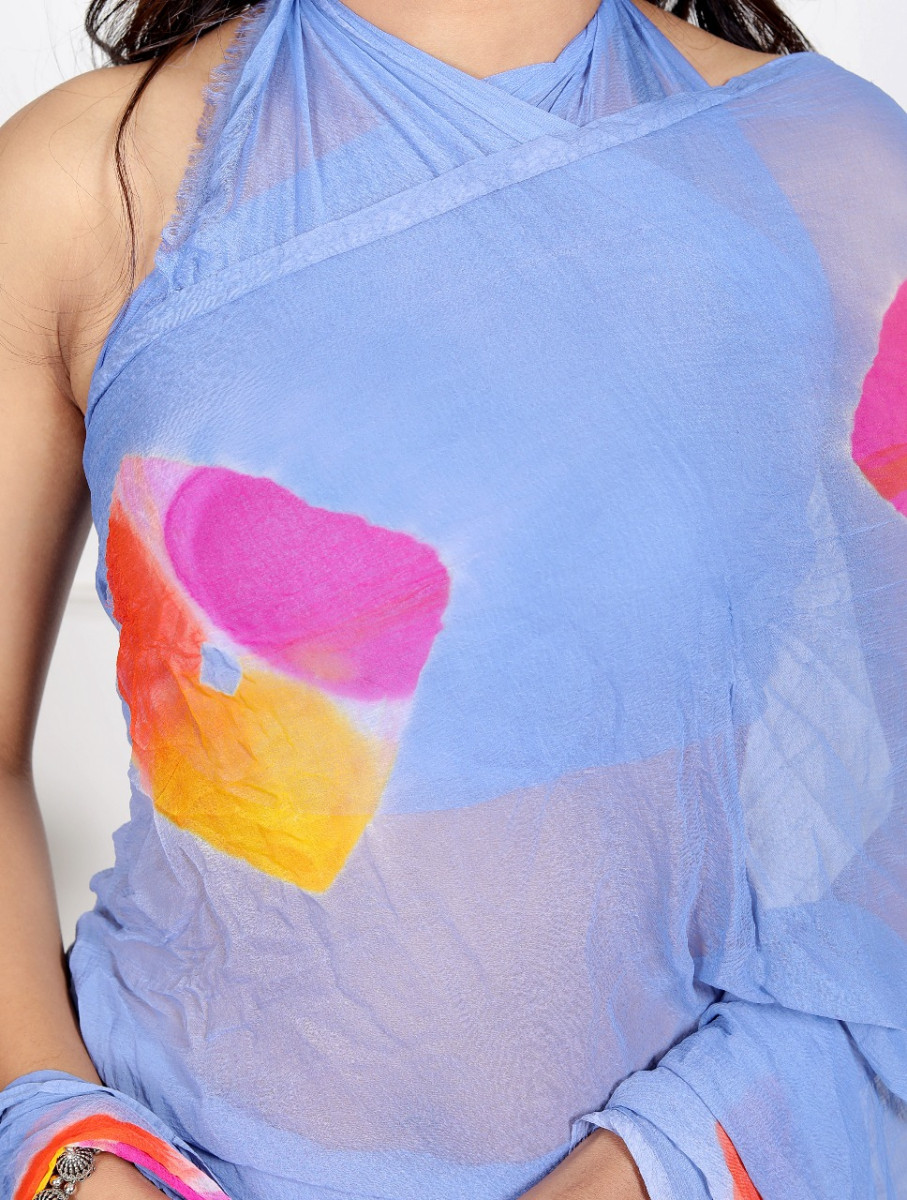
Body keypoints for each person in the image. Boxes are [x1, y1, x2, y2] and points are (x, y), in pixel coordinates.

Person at [0, 0, 906, 1196]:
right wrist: (67, 1153)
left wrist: (666, 1162)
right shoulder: (82, 190)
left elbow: (886, 824)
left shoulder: (833, 161)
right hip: (164, 1156)